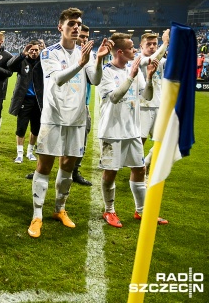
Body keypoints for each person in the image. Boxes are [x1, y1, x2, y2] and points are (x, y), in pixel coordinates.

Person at [28, 7, 102, 238]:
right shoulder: (49, 53)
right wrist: (81, 63)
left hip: (77, 117)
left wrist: (97, 60)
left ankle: (59, 209)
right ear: (60, 27)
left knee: (68, 165)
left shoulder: (84, 52)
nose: (76, 27)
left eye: (79, 24)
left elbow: (96, 80)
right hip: (53, 116)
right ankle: (37, 215)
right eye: (71, 24)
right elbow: (57, 79)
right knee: (45, 165)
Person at [97, 32, 168, 227]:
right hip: (112, 131)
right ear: (120, 51)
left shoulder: (133, 69)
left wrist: (151, 77)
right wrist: (130, 77)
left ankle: (142, 211)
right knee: (110, 171)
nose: (135, 50)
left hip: (132, 130)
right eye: (131, 48)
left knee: (139, 168)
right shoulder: (106, 72)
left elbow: (146, 95)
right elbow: (113, 97)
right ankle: (109, 211)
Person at [7, 40, 43, 176]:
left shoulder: (43, 62)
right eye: (31, 50)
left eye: (36, 50)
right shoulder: (22, 61)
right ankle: (20, 154)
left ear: (39, 51)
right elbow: (9, 65)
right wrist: (22, 54)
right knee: (21, 127)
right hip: (24, 100)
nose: (34, 52)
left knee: (35, 128)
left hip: (38, 100)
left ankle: (30, 152)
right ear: (28, 50)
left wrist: (45, 52)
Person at [137, 30, 170, 169]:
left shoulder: (162, 60)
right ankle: (138, 170)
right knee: (140, 142)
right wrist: (165, 43)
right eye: (148, 44)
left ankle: (147, 162)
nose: (152, 47)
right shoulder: (138, 60)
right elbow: (151, 59)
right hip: (143, 106)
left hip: (159, 106)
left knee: (164, 141)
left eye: (155, 44)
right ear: (141, 46)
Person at [71, 24, 94, 186]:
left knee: (82, 138)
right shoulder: (65, 53)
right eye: (82, 36)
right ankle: (43, 168)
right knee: (55, 139)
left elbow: (94, 79)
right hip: (63, 104)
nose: (84, 39)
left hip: (82, 104)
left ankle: (74, 171)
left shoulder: (90, 55)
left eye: (86, 37)